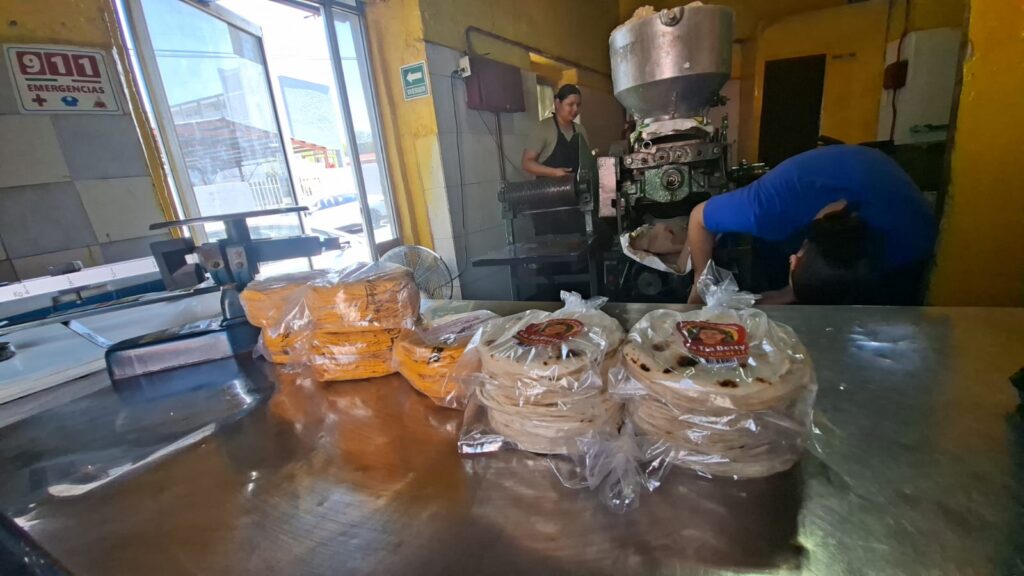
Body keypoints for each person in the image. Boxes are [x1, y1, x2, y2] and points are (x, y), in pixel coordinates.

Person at [686, 145, 937, 305]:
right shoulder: (767, 206)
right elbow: (699, 218)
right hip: (854, 181)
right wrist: (701, 283)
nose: (791, 259)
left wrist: (793, 292)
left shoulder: (910, 243)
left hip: (900, 231)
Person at [521, 84, 590, 179]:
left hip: (575, 187)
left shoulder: (580, 130)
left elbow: (587, 161)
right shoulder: (543, 128)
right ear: (557, 103)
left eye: (578, 105)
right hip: (548, 187)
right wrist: (554, 172)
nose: (575, 109)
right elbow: (527, 163)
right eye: (570, 104)